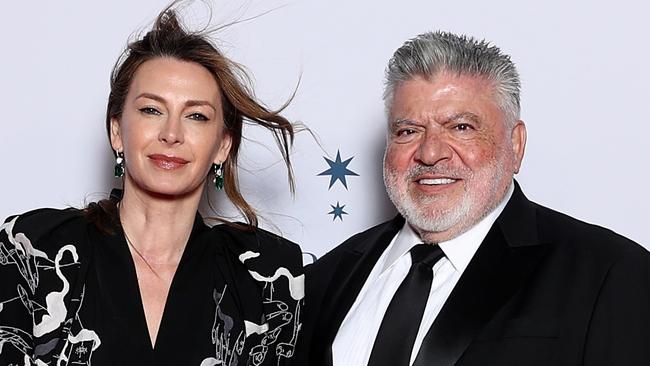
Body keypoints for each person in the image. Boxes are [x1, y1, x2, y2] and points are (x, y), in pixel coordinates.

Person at [300, 31, 650, 365]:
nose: (430, 152)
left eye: (460, 127)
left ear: (515, 145)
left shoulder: (609, 275)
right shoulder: (324, 278)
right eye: (408, 131)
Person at [0, 4, 303, 366]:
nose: (171, 134)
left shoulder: (264, 275)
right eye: (151, 110)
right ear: (117, 131)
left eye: (196, 116)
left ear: (223, 146)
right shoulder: (32, 248)